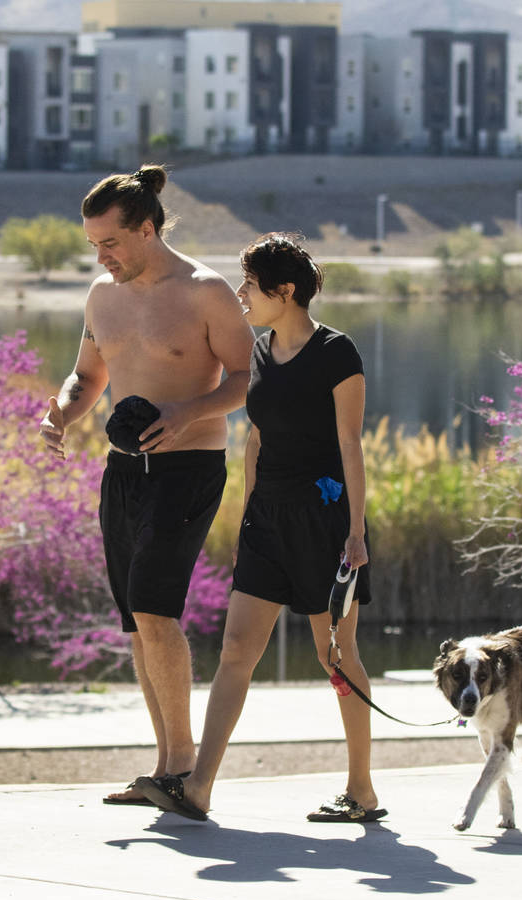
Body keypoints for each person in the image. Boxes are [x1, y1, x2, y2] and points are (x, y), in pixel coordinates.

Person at [137, 232, 384, 823]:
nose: (242, 294)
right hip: (267, 520)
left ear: (286, 290)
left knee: (338, 656)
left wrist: (355, 533)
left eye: (251, 284)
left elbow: (351, 445)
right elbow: (256, 438)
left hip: (325, 523)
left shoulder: (337, 353)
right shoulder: (260, 351)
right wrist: (247, 513)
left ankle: (362, 791)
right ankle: (198, 787)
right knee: (236, 650)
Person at [39, 165, 255, 805]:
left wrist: (187, 412)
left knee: (157, 610)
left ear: (148, 228)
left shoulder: (206, 292)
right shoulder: (101, 296)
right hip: (125, 472)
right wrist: (59, 411)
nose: (101, 256)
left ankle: (186, 769)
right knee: (137, 621)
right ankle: (164, 767)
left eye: (110, 242)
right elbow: (86, 376)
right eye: (93, 245)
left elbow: (249, 379)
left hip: (188, 469)